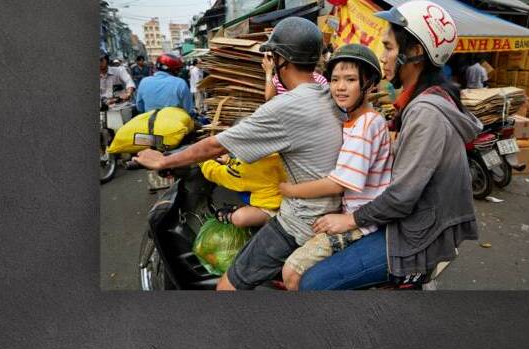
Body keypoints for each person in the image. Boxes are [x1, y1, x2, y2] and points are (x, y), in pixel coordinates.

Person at [133, 17, 343, 291]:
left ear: (280, 59)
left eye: (272, 55)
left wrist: (164, 160)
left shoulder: (284, 107)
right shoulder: (329, 93)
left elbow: (214, 146)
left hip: (301, 222)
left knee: (226, 286)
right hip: (332, 208)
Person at [298, 0, 483, 290]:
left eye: (389, 47)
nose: (383, 56)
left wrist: (350, 220)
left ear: (415, 52)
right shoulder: (424, 101)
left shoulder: (425, 112)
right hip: (415, 221)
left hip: (417, 234)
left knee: (312, 283)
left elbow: (401, 197)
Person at [279, 44, 390, 291]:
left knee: (292, 271)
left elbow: (338, 183)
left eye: (350, 79)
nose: (340, 87)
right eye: (335, 79)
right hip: (357, 214)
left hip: (361, 223)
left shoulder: (365, 125)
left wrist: (290, 190)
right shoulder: (353, 119)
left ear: (369, 83)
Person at [200, 152, 287, 227]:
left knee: (239, 218)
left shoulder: (245, 171)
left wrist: (203, 161)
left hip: (275, 206)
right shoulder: (276, 153)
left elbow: (217, 174)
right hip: (288, 194)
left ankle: (236, 213)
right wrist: (229, 161)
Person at [262, 51, 328, 102]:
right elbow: (269, 98)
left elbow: (269, 98)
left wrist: (269, 72)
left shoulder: (281, 75)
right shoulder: (321, 80)